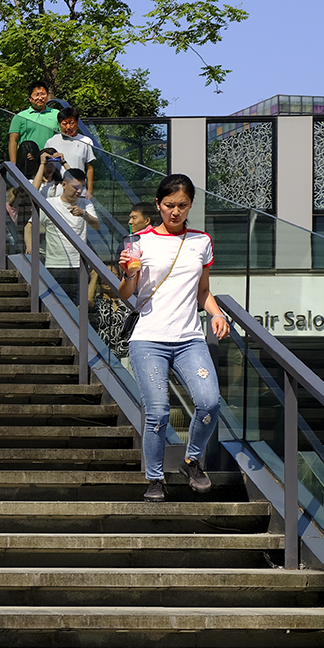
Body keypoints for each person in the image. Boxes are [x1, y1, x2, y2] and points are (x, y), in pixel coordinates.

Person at [117, 174, 230, 502]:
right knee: (158, 411)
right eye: (169, 205)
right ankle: (154, 478)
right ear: (158, 205)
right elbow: (127, 294)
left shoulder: (202, 242)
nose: (175, 211)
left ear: (190, 204)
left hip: (189, 337)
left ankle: (192, 460)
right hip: (149, 338)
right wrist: (127, 273)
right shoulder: (138, 241)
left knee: (209, 402)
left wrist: (217, 313)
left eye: (182, 205)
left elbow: (203, 291)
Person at [41, 165, 101, 306]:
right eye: (75, 187)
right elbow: (30, 225)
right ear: (64, 184)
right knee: (55, 305)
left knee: (78, 307)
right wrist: (30, 247)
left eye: (82, 187)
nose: (79, 191)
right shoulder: (50, 203)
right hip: (55, 264)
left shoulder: (86, 204)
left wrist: (84, 214)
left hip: (78, 265)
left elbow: (96, 225)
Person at [41, 108, 96, 198]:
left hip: (78, 190)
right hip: (56, 191)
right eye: (64, 123)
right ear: (59, 124)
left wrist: (89, 190)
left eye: (71, 123)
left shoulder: (85, 141)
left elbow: (89, 168)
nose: (68, 127)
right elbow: (45, 165)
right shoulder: (51, 141)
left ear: (77, 123)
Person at [8, 81, 60, 167]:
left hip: (51, 162)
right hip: (28, 162)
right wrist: (13, 166)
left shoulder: (56, 114)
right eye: (37, 95)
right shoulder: (20, 117)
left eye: (43, 94)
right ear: (30, 98)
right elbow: (13, 141)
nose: (40, 98)